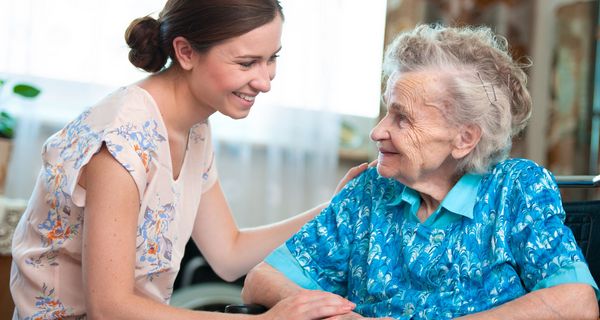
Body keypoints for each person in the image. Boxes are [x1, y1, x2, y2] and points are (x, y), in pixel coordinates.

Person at [9, 1, 363, 319]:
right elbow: (109, 308)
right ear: (186, 52)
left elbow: (229, 253)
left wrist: (334, 208)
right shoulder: (121, 142)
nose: (265, 80)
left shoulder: (193, 128)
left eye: (272, 58)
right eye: (246, 63)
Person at [242, 24, 600, 319]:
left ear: (464, 138)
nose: (378, 131)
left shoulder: (517, 189)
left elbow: (576, 302)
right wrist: (332, 312)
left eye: (402, 118)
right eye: (387, 111)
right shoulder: (371, 190)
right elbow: (261, 279)